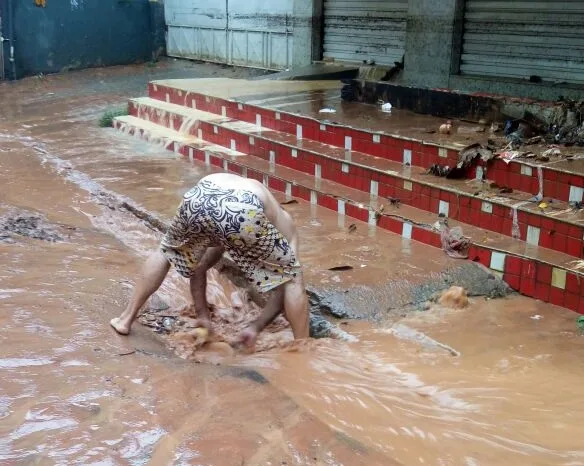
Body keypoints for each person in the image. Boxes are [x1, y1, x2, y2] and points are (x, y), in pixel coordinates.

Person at [110, 173, 309, 348]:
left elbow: (199, 265)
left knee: (164, 252)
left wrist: (203, 316)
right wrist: (256, 327)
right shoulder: (284, 222)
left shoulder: (223, 225)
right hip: (244, 207)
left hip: (200, 198)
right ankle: (303, 348)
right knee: (293, 280)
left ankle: (125, 319)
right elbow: (284, 287)